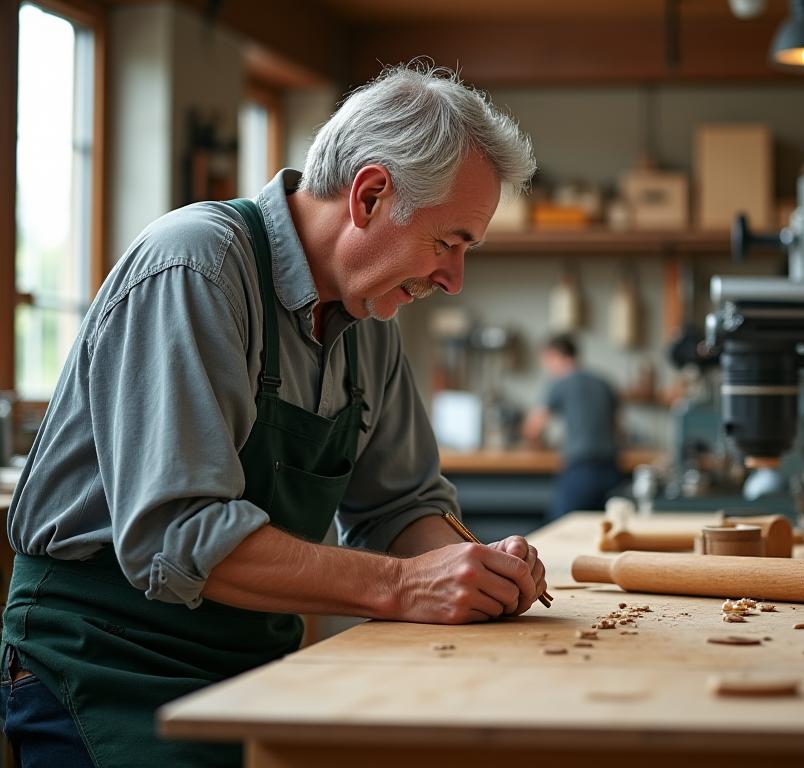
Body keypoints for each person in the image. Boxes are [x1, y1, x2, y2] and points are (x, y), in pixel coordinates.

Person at [1, 63, 545, 768]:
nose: (452, 279)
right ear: (371, 195)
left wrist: (472, 568)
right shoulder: (197, 266)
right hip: (105, 661)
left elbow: (400, 504)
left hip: (254, 664)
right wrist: (407, 585)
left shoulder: (368, 313)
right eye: (448, 242)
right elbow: (181, 532)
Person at [523, 335, 622, 521]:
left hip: (581, 470)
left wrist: (538, 448)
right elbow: (618, 429)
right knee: (600, 532)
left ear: (556, 356)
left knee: (557, 531)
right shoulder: (604, 382)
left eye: (547, 361)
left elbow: (533, 429)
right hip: (612, 470)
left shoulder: (560, 383)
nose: (547, 368)